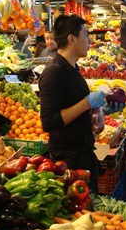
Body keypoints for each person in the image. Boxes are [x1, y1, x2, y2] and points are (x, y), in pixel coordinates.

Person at [39, 15, 106, 192]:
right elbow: (49, 122)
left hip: (81, 153)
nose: (89, 41)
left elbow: (74, 107)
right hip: (68, 160)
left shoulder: (72, 68)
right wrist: (86, 103)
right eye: (85, 35)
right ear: (71, 39)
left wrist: (97, 113)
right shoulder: (54, 72)